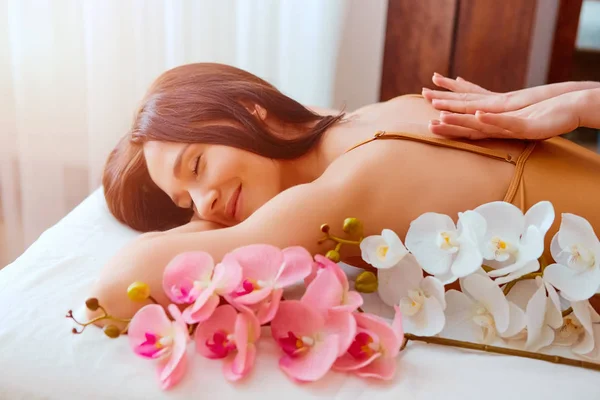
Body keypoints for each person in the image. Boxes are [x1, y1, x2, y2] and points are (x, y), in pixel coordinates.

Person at [91, 63, 600, 321]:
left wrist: (203, 228)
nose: (204, 204)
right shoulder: (385, 111)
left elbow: (113, 292)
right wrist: (577, 103)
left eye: (198, 167)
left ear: (248, 109)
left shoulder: (339, 193)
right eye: (186, 203)